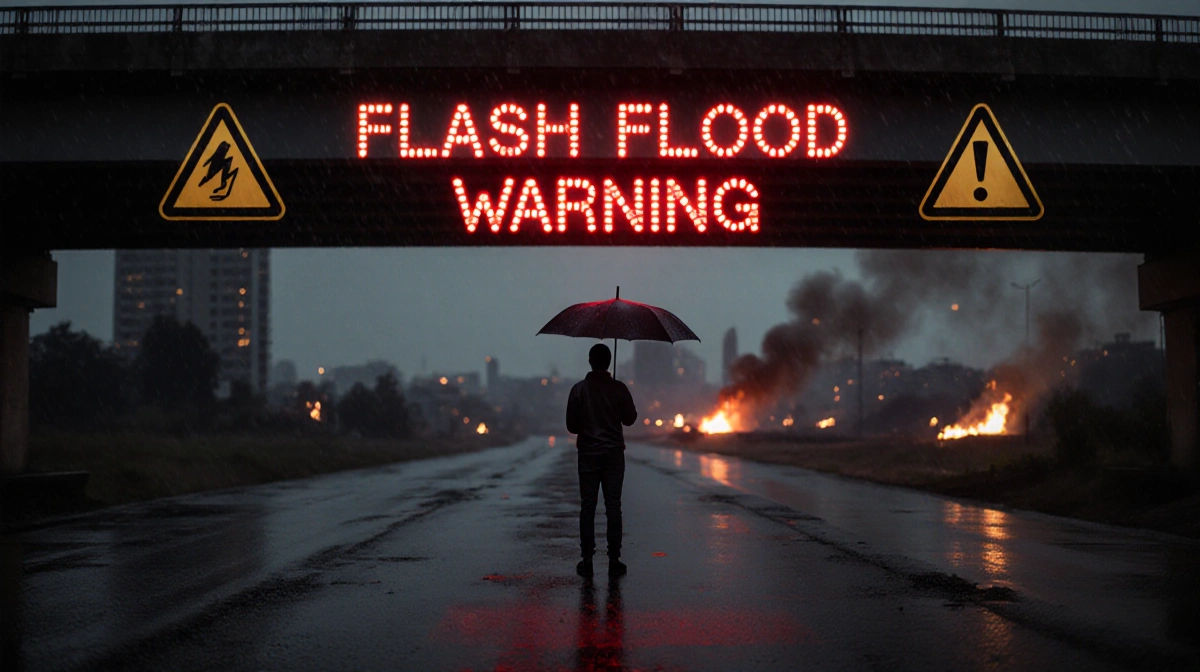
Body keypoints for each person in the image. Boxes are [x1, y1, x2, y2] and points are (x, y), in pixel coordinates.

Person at [566, 343, 637, 578]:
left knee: (588, 507)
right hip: (614, 455)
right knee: (613, 507)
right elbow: (630, 419)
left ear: (590, 361)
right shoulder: (619, 388)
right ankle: (614, 559)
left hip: (587, 455)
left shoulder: (578, 390)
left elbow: (572, 426)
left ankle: (587, 560)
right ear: (608, 362)